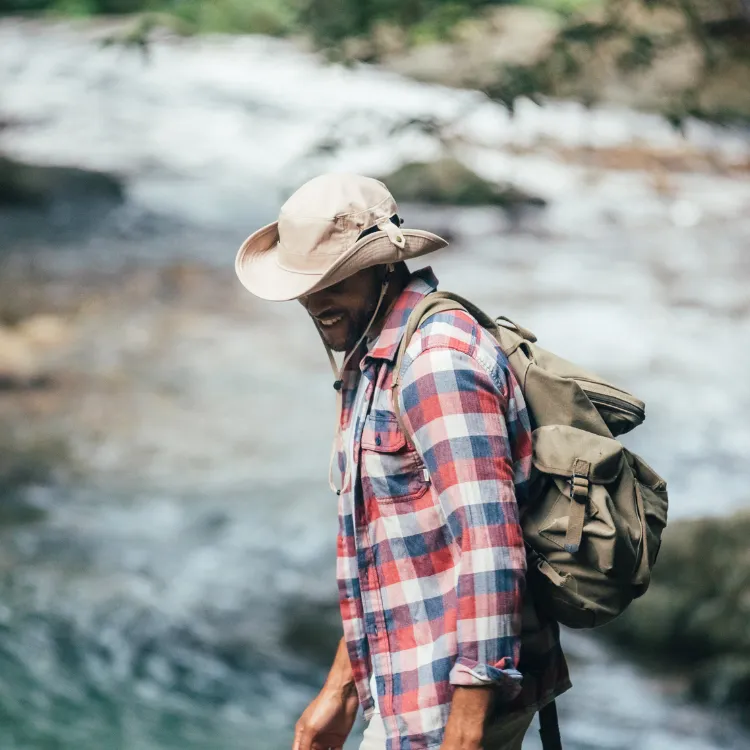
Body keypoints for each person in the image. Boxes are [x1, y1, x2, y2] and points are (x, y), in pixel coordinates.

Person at [235, 174, 570, 750]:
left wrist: (464, 734)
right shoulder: (374, 359)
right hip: (402, 695)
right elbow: (387, 549)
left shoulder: (435, 363)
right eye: (306, 283)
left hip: (449, 711)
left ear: (384, 266)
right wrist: (342, 690)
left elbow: (491, 551)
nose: (316, 300)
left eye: (335, 278)